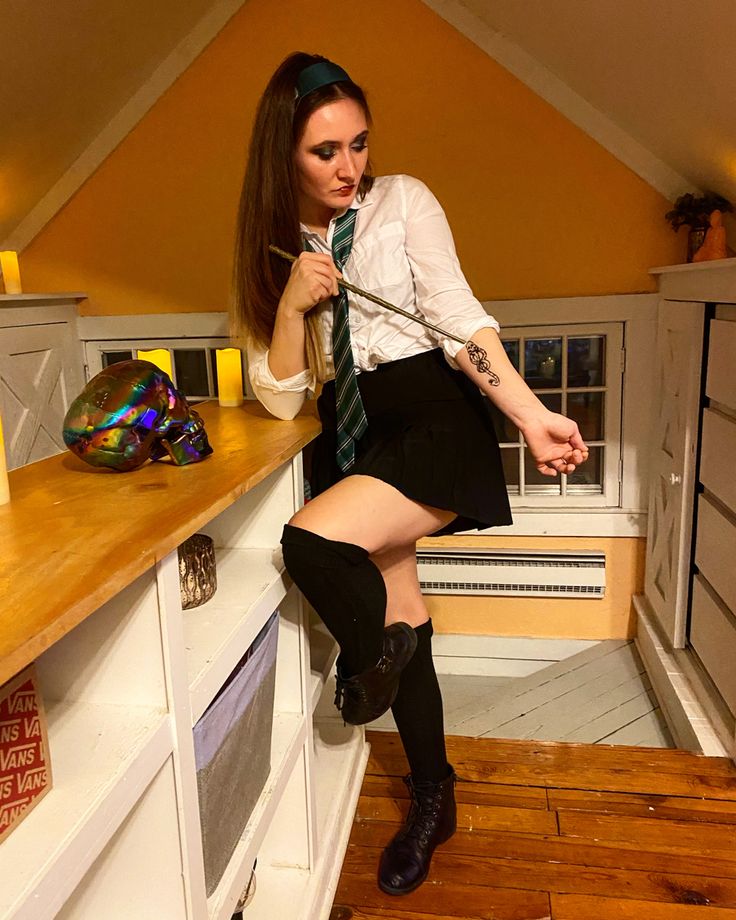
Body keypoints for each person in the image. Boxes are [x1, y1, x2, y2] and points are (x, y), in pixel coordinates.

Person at [232, 52, 588, 897]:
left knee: (311, 543)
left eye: (357, 144)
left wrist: (531, 415)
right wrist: (291, 305)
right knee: (401, 602)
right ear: (283, 154)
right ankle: (435, 793)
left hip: (431, 416)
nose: (349, 167)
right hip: (355, 432)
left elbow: (458, 319)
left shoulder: (402, 202)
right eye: (325, 152)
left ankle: (370, 667)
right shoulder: (274, 249)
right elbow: (280, 403)